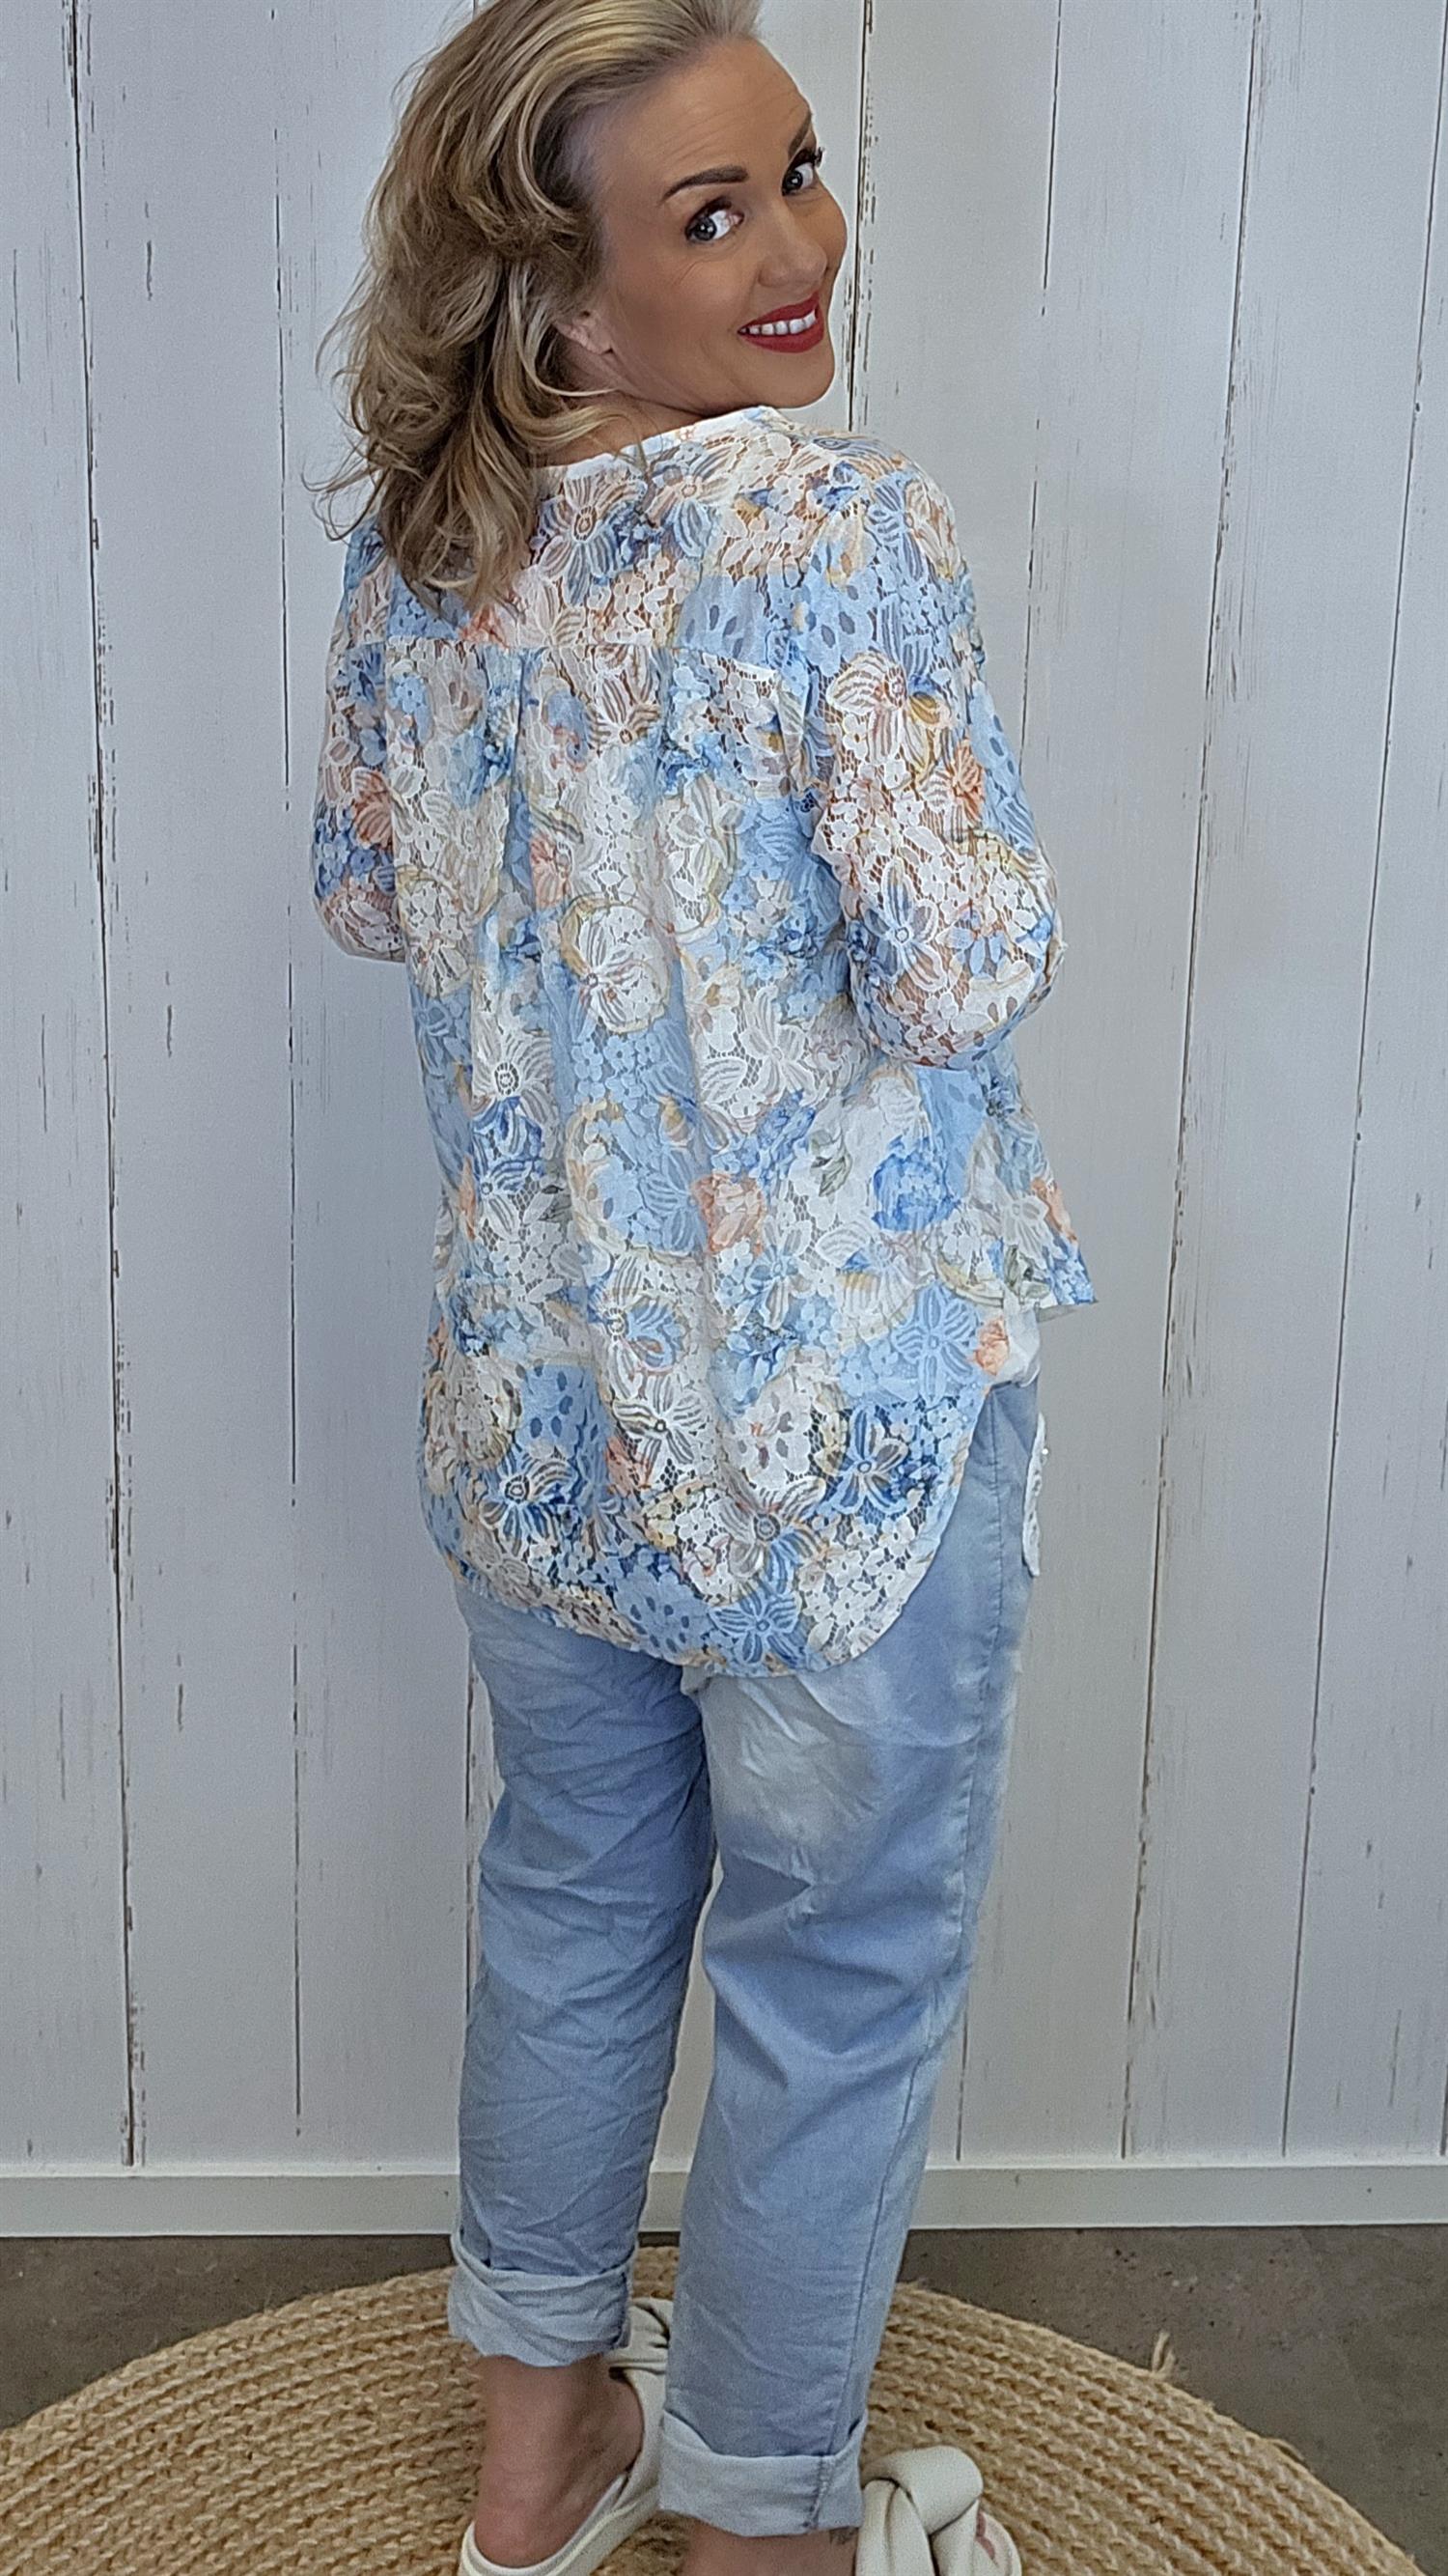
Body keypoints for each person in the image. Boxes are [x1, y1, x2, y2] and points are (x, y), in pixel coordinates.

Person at [310, 5, 1095, 2572]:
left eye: (798, 171)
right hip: (835, 1435)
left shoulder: (424, 554)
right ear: (551, 292)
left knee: (570, 1903)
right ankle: (764, 2529)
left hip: (546, 1419)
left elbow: (367, 887)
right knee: (831, 1978)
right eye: (711, 213)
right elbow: (962, 964)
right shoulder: (835, 536)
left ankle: (537, 2464)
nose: (798, 246)